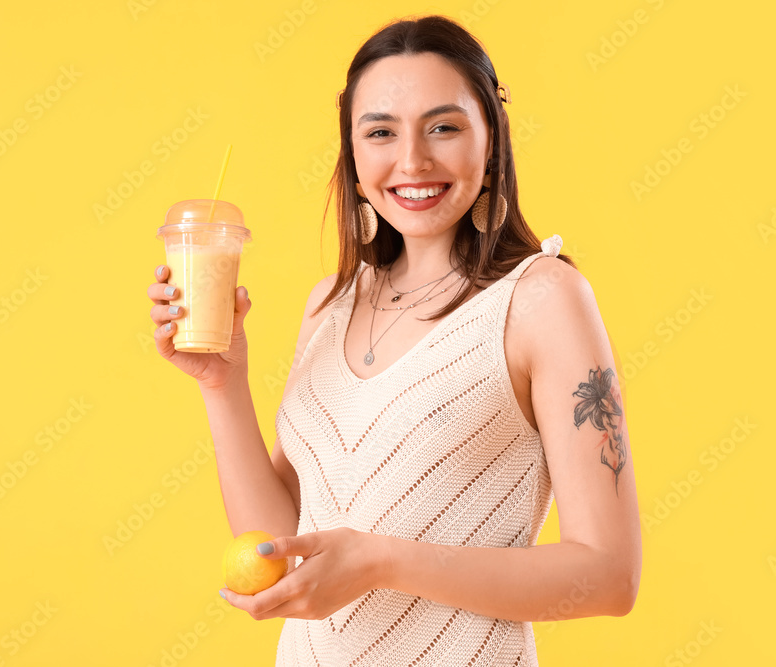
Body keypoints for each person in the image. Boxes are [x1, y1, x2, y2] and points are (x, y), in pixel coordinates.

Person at [147, 14, 641, 666]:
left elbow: (608, 576)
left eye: (444, 127)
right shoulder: (329, 303)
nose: (412, 160)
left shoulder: (541, 299)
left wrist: (382, 560)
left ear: (491, 142)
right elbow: (278, 540)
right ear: (353, 156)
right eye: (380, 131)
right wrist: (223, 381)